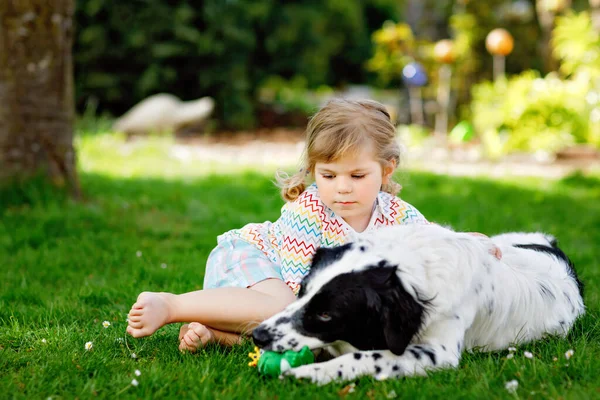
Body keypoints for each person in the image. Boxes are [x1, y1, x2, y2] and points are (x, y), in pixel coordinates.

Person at [126, 98, 498, 352]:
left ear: (386, 170)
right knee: (287, 310)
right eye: (329, 174)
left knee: (314, 339)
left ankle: (217, 332)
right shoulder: (308, 212)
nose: (342, 187)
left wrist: (470, 242)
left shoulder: (397, 214)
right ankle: (172, 305)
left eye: (357, 174)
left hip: (293, 299)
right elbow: (303, 296)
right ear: (314, 170)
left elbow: (432, 242)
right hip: (253, 262)